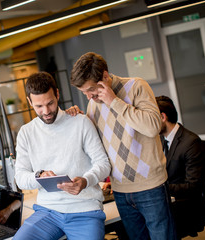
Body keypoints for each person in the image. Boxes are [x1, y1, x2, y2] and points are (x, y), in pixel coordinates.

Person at [69, 52, 176, 240]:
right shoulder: (93, 105)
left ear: (104, 76)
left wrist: (114, 102)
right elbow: (92, 145)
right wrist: (77, 120)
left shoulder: (136, 86)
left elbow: (153, 127)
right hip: (120, 191)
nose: (88, 96)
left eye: (91, 89)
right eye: (83, 92)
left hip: (151, 187)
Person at [14, 72, 111, 240]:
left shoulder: (80, 122)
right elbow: (20, 178)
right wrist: (39, 176)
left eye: (50, 103)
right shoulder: (26, 133)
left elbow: (103, 164)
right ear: (30, 102)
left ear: (57, 94)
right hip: (47, 212)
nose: (46, 111)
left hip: (85, 210)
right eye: (39, 106)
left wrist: (86, 180)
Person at [156, 95, 205, 239]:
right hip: (167, 200)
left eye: (151, 118)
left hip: (184, 206)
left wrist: (160, 188)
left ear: (162, 117)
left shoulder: (191, 143)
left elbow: (193, 186)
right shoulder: (160, 139)